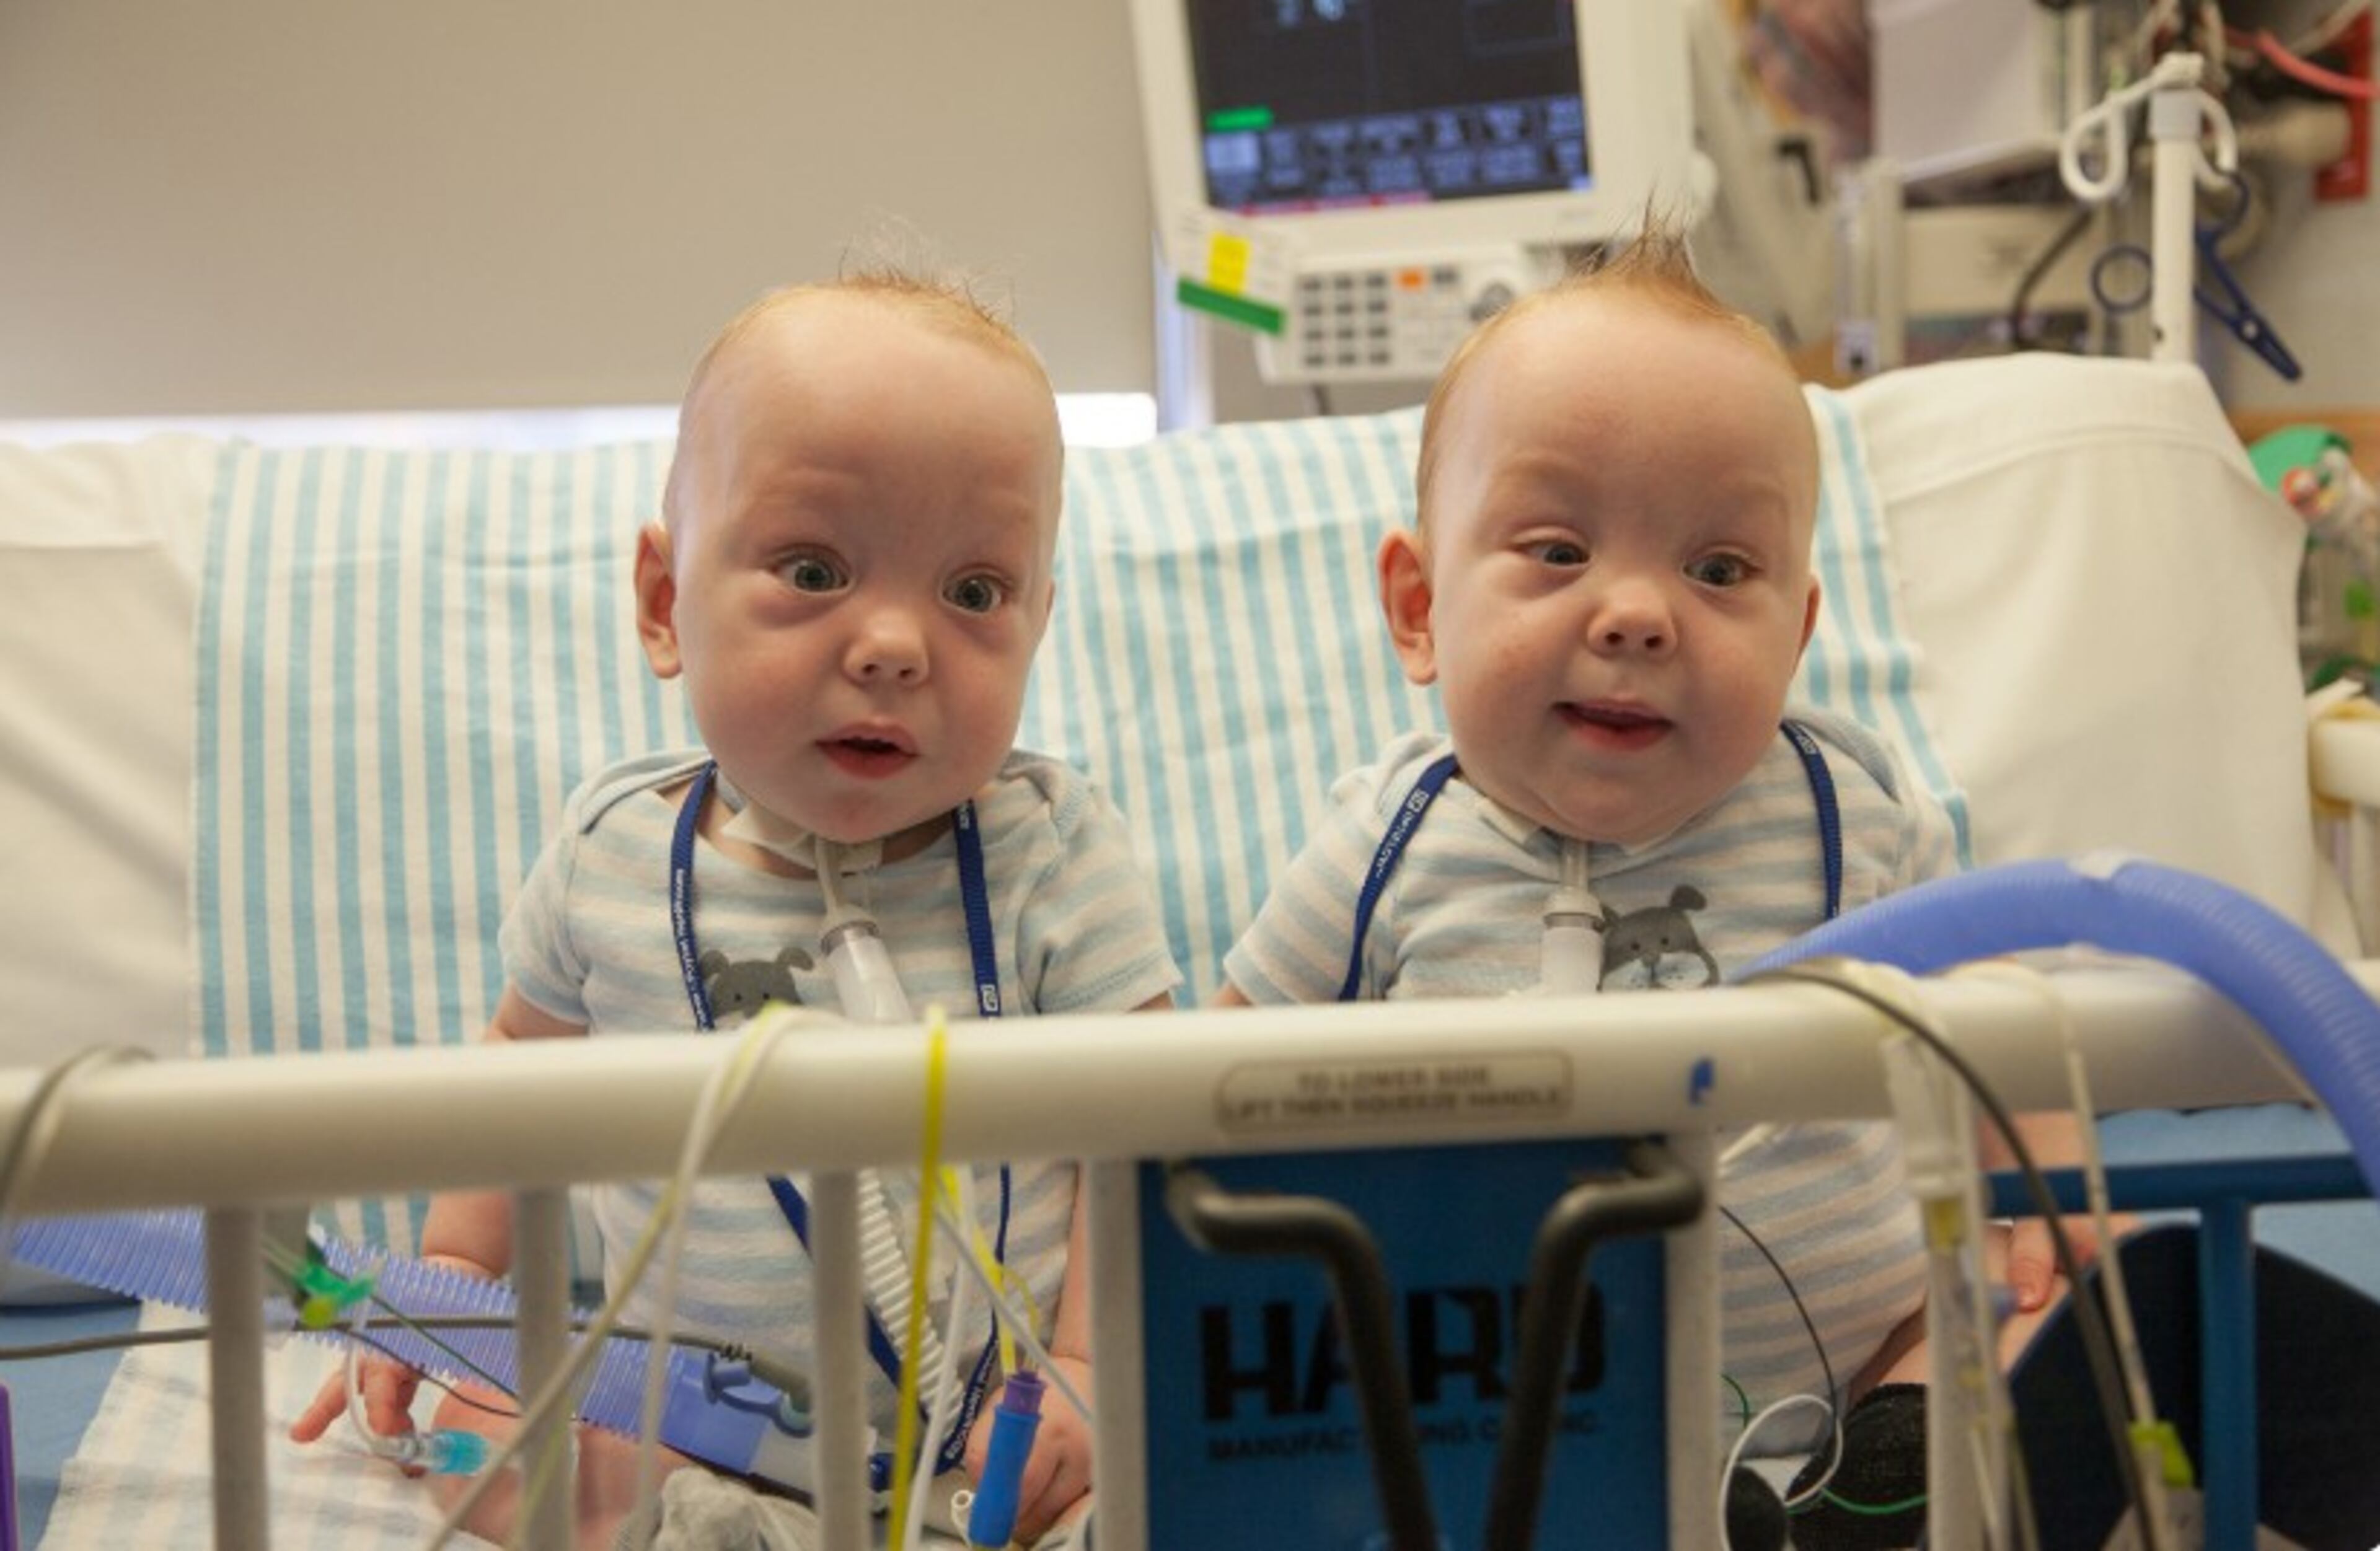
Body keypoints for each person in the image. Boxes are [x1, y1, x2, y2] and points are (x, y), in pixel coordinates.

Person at [1212, 226, 2099, 1544]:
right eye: (1557, 550)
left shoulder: (1845, 815)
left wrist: (2054, 1186)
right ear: (1418, 606)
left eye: (1718, 569)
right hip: (1492, 1408)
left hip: (1860, 1373)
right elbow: (1205, 1085)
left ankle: (1869, 1493)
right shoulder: (1384, 851)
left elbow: (1983, 994)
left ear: (1795, 632)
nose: (1637, 615)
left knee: (2037, 1306)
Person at [291, 271, 1180, 1549]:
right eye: (813, 569)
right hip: (679, 1418)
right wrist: (456, 1290)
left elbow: (1138, 1133)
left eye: (975, 592)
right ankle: (704, 1525)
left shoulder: (1049, 853)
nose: (894, 645)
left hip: (999, 1431)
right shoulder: (615, 854)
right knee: (482, 1446)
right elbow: (514, 1079)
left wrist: (1092, 1373)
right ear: (665, 603)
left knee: (1164, 1489)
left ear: (1041, 619)